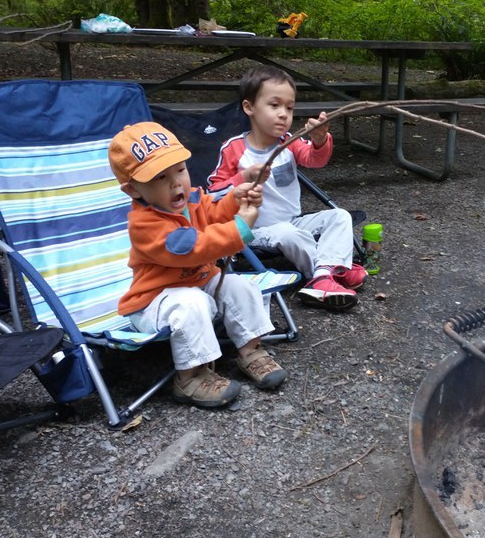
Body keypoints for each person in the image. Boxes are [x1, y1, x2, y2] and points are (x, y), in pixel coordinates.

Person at [108, 121, 288, 409]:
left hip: (197, 284)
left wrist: (234, 198)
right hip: (156, 301)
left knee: (239, 285)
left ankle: (250, 350)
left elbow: (213, 213)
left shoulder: (189, 199)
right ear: (133, 190)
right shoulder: (145, 225)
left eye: (180, 169)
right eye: (160, 177)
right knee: (191, 303)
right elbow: (193, 248)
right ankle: (189, 376)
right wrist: (239, 229)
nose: (176, 182)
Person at [207, 65, 366, 312]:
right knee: (286, 233)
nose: (283, 114)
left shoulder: (289, 143)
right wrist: (242, 178)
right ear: (249, 108)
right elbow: (212, 195)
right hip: (254, 231)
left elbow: (315, 159)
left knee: (340, 216)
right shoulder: (234, 149)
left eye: (289, 108)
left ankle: (323, 276)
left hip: (293, 222)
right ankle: (331, 272)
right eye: (274, 105)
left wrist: (320, 140)